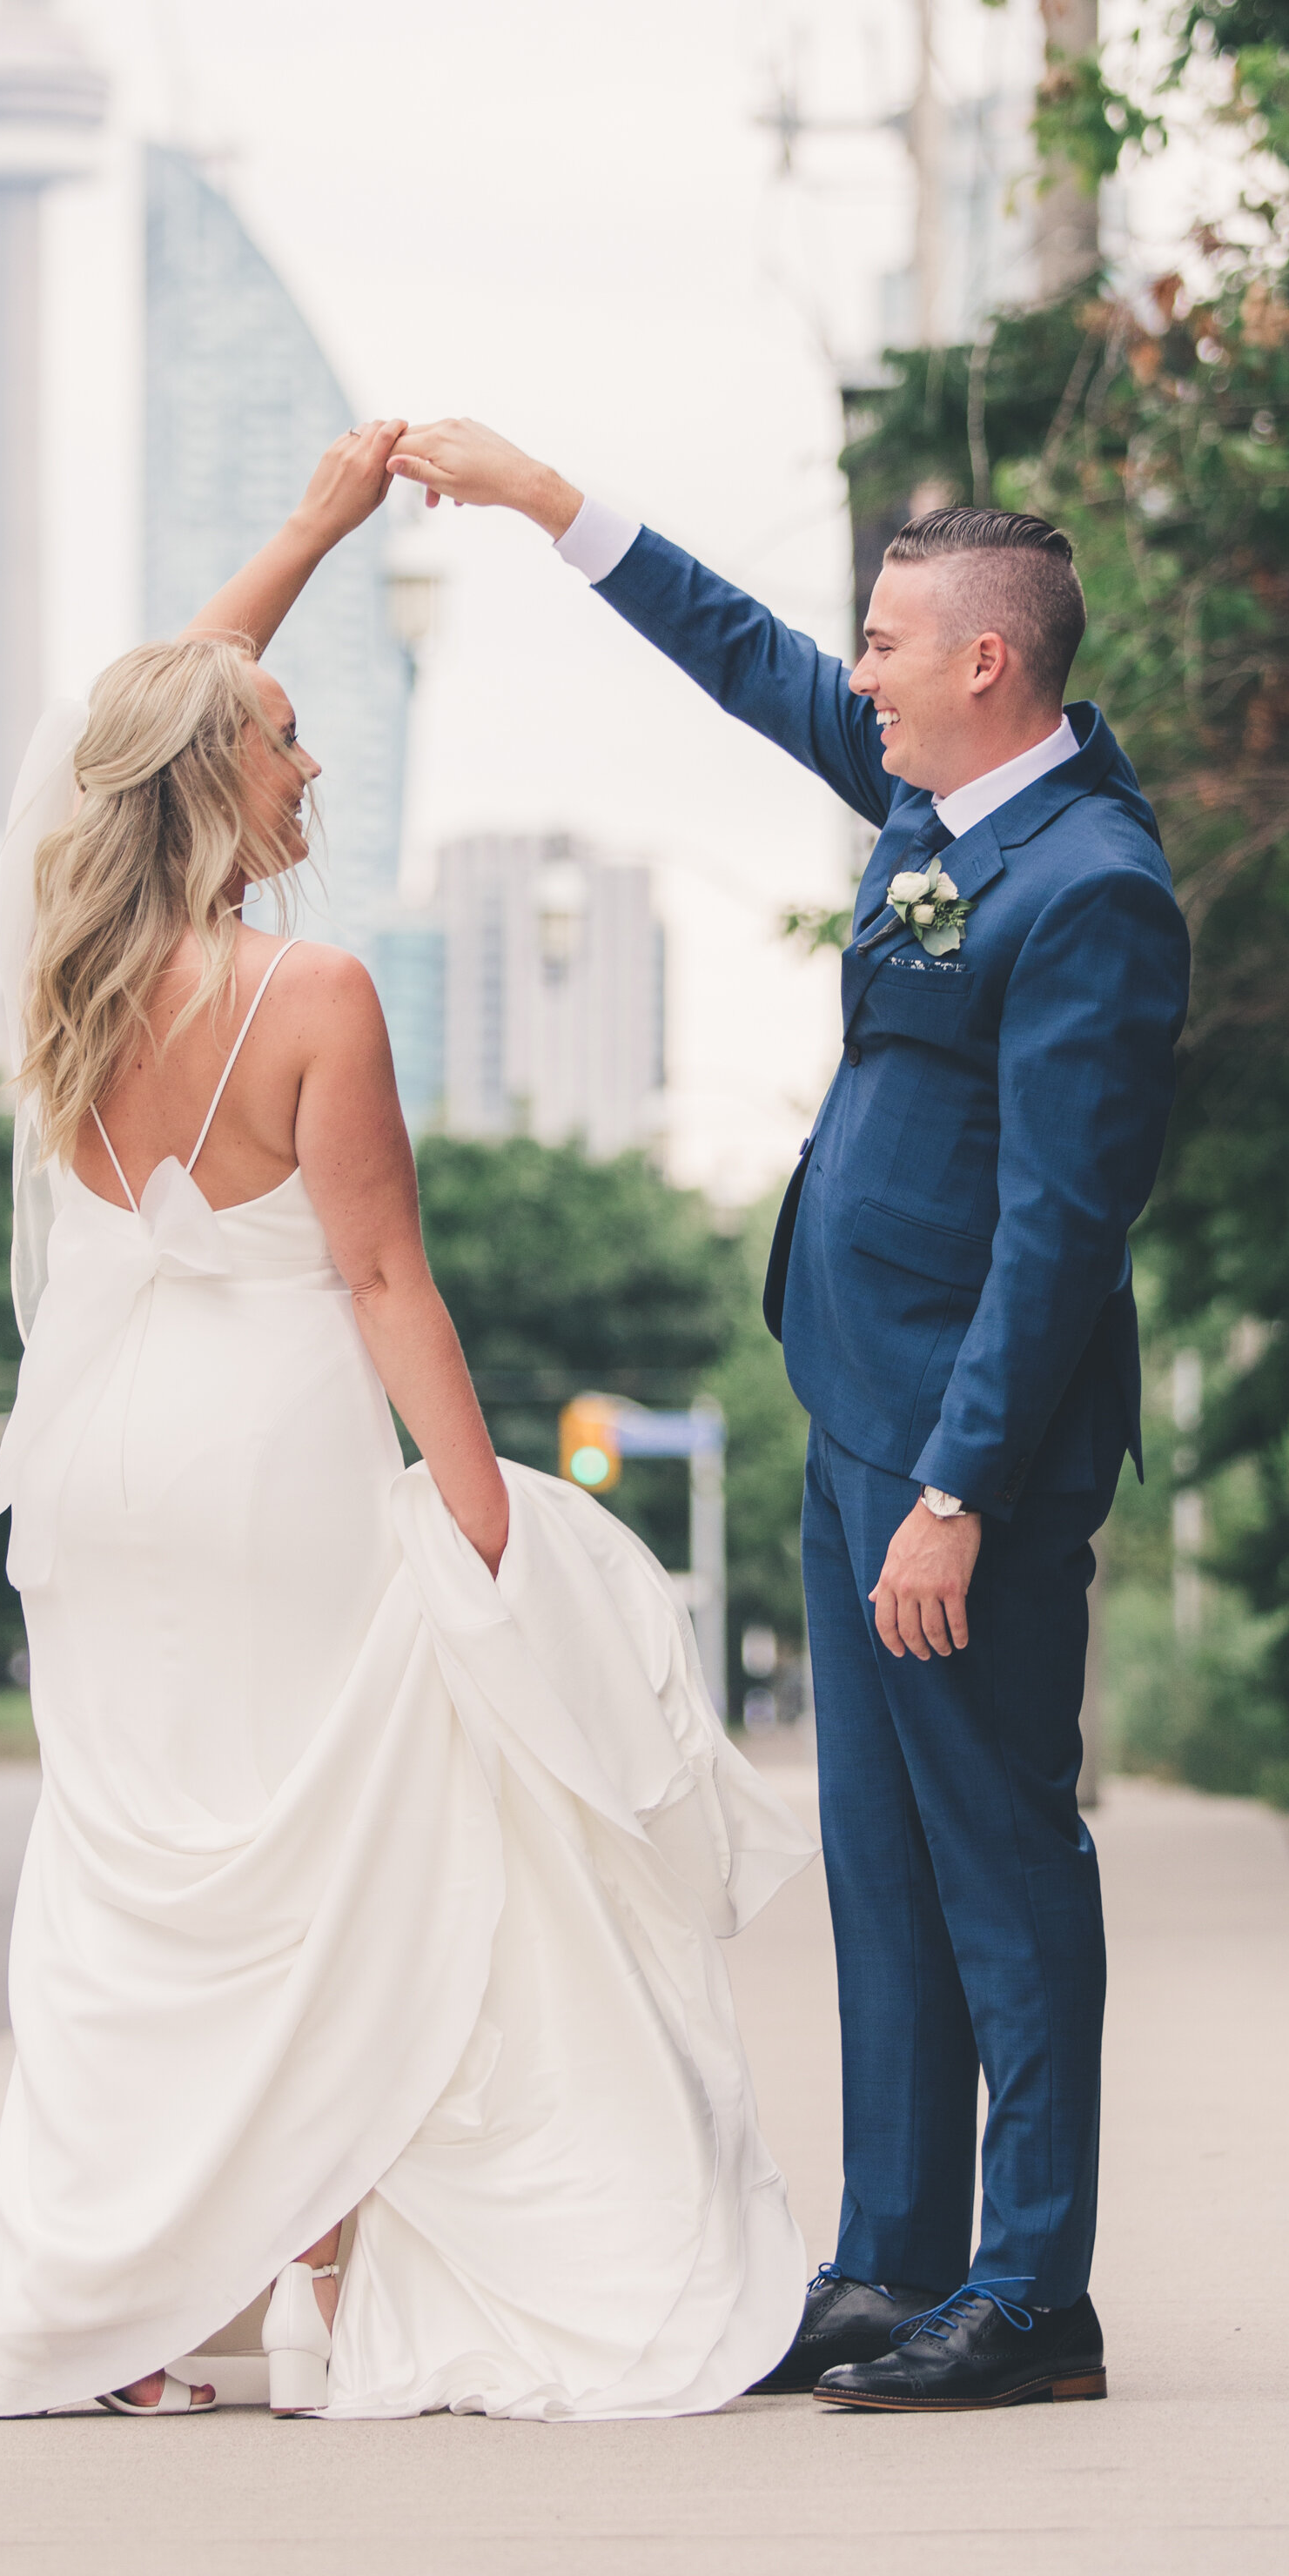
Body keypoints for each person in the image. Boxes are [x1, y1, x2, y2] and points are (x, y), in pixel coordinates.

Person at [0, 419, 814, 2425]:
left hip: (95, 1482)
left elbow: (133, 729)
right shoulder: (318, 995)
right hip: (274, 1472)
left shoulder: (60, 968)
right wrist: (484, 1519)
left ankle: (113, 2319)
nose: (313, 762)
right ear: (220, 783)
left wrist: (305, 534)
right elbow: (382, 1287)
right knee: (330, 1872)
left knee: (135, 1881)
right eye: (283, 740)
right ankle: (318, 2288)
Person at [386, 419, 1190, 2416]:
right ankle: (889, 2258)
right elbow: (742, 654)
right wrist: (540, 498)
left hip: (956, 1470)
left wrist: (959, 1492)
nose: (863, 668)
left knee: (1001, 1861)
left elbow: (1061, 1233)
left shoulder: (1087, 886)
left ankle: (1034, 2293)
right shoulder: (938, 813)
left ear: (989, 662)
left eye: (893, 640)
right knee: (877, 1864)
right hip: (851, 1414)